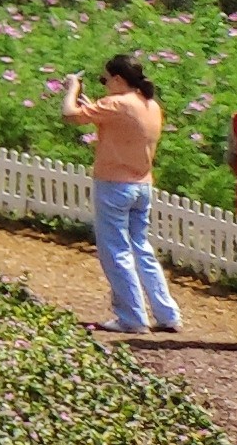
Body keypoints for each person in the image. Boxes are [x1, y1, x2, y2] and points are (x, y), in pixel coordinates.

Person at [62, 52, 182, 335]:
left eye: (105, 80)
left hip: (114, 185)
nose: (104, 84)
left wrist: (72, 89)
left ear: (117, 79)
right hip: (142, 185)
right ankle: (167, 314)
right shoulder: (150, 105)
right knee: (141, 249)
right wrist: (93, 108)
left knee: (116, 251)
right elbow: (122, 127)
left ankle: (132, 318)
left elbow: (69, 115)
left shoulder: (116, 103)